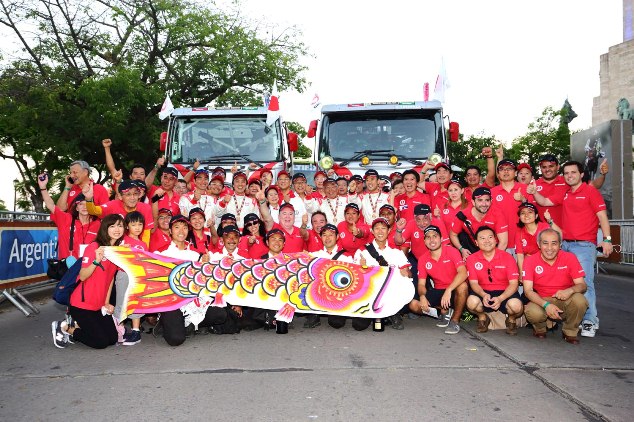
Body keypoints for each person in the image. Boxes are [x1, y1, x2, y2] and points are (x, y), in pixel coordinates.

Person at [528, 161, 612, 338]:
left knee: (585, 283)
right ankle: (567, 316)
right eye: (566, 173)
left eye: (573, 172)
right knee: (567, 283)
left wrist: (607, 239)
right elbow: (544, 201)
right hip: (564, 243)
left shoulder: (590, 192)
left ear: (581, 174)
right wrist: (534, 192)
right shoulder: (565, 192)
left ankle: (590, 320)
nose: (569, 176)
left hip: (584, 245)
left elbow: (602, 216)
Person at [51, 214, 124, 349]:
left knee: (112, 338)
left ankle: (78, 325)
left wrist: (107, 303)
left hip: (98, 306)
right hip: (81, 305)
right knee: (100, 342)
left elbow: (110, 279)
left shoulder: (116, 251)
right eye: (112, 226)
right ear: (105, 228)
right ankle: (66, 328)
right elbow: (83, 276)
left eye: (120, 225)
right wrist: (96, 261)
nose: (117, 229)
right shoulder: (94, 247)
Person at [155, 215, 227, 346]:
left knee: (220, 314)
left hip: (192, 300)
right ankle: (166, 323)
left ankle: (189, 324)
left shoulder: (195, 255)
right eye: (177, 227)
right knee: (176, 339)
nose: (181, 231)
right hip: (172, 302)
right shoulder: (160, 254)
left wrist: (207, 262)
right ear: (170, 230)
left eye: (184, 228)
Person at [522, 229, 588, 344]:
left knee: (580, 300)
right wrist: (546, 305)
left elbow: (582, 285)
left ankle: (570, 332)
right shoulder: (529, 260)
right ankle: (540, 328)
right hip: (541, 300)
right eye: (545, 243)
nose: (549, 248)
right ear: (539, 244)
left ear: (560, 245)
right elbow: (528, 291)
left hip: (564, 299)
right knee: (532, 312)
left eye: (554, 243)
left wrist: (570, 290)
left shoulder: (570, 258)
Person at [408, 225, 468, 335]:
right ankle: (443, 311)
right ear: (425, 241)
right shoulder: (423, 259)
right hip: (439, 290)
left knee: (463, 286)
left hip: (454, 290)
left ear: (441, 239)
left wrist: (449, 290)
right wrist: (422, 296)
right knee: (413, 305)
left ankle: (454, 321)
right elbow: (421, 284)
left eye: (435, 236)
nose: (432, 240)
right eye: (428, 237)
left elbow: (463, 273)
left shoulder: (452, 251)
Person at [354, 217, 412, 330]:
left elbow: (409, 275)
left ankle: (392, 313)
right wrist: (361, 267)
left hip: (390, 294)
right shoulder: (362, 251)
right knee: (358, 326)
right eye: (377, 228)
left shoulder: (397, 252)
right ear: (372, 231)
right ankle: (379, 314)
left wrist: (406, 273)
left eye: (383, 228)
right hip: (368, 294)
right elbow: (356, 277)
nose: (380, 232)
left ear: (389, 231)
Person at [465, 226, 524, 335]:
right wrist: (483, 295)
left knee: (516, 306)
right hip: (483, 291)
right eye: (482, 238)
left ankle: (511, 320)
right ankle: (483, 318)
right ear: (476, 243)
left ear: (496, 240)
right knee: (471, 302)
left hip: (505, 292)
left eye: (490, 237)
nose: (487, 241)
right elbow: (473, 283)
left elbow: (514, 284)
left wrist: (501, 298)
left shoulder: (507, 257)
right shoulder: (471, 259)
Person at [38, 173, 99, 259]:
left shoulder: (98, 225)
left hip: (88, 268)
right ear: (76, 208)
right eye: (81, 204)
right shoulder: (66, 219)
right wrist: (43, 187)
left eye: (87, 204)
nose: (85, 207)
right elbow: (50, 205)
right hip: (68, 268)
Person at [308, 223, 352, 329]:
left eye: (331, 235)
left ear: (337, 237)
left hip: (338, 297)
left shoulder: (347, 257)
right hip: (319, 295)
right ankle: (314, 314)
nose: (327, 238)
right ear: (321, 237)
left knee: (336, 323)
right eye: (324, 235)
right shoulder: (314, 256)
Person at [84, 180, 154, 245]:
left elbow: (146, 234)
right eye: (128, 194)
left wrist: (143, 250)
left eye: (135, 194)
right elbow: (94, 211)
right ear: (120, 196)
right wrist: (89, 199)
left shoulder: (146, 208)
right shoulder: (113, 205)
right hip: (113, 246)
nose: (132, 197)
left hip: (136, 246)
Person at [449, 187, 508, 259]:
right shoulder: (463, 215)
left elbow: (503, 242)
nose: (484, 204)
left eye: (487, 200)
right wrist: (461, 249)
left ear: (491, 201)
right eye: (480, 200)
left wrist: (493, 259)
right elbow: (453, 234)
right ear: (473, 202)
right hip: (472, 251)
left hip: (493, 250)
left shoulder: (497, 214)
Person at [490, 159, 533, 254]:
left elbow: (534, 214)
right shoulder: (492, 193)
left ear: (516, 172)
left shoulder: (526, 189)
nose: (506, 171)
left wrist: (523, 200)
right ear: (498, 173)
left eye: (509, 168)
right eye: (502, 169)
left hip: (524, 242)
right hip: (500, 243)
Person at [515, 202, 560, 276]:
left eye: (530, 212)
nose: (526, 215)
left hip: (547, 262)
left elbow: (559, 235)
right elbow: (520, 255)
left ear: (536, 216)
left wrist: (549, 220)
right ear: (519, 217)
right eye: (523, 213)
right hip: (529, 265)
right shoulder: (519, 233)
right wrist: (522, 273)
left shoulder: (545, 228)